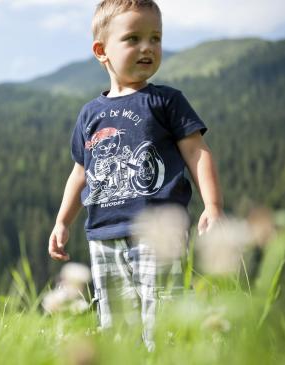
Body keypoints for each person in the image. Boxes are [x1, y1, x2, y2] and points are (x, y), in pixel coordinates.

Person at [48, 0, 223, 349]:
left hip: (158, 231)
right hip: (103, 235)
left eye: (155, 38)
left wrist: (213, 205)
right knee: (116, 328)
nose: (147, 47)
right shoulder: (89, 114)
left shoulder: (166, 102)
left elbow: (197, 152)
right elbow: (80, 170)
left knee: (164, 320)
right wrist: (63, 221)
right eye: (133, 39)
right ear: (102, 51)